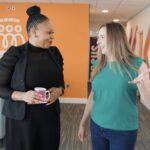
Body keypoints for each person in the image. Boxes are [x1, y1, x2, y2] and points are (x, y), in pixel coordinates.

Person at [0, 5, 64, 150]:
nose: (52, 36)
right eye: (49, 33)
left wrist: (59, 91)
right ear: (34, 32)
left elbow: (61, 82)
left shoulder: (55, 53)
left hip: (49, 118)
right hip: (21, 121)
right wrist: (22, 96)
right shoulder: (15, 54)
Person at [78, 22, 150, 150]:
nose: (98, 42)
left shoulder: (137, 65)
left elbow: (148, 103)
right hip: (96, 126)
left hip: (123, 131)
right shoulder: (98, 64)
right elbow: (93, 96)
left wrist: (143, 89)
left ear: (115, 38)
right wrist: (83, 122)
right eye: (98, 37)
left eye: (102, 37)